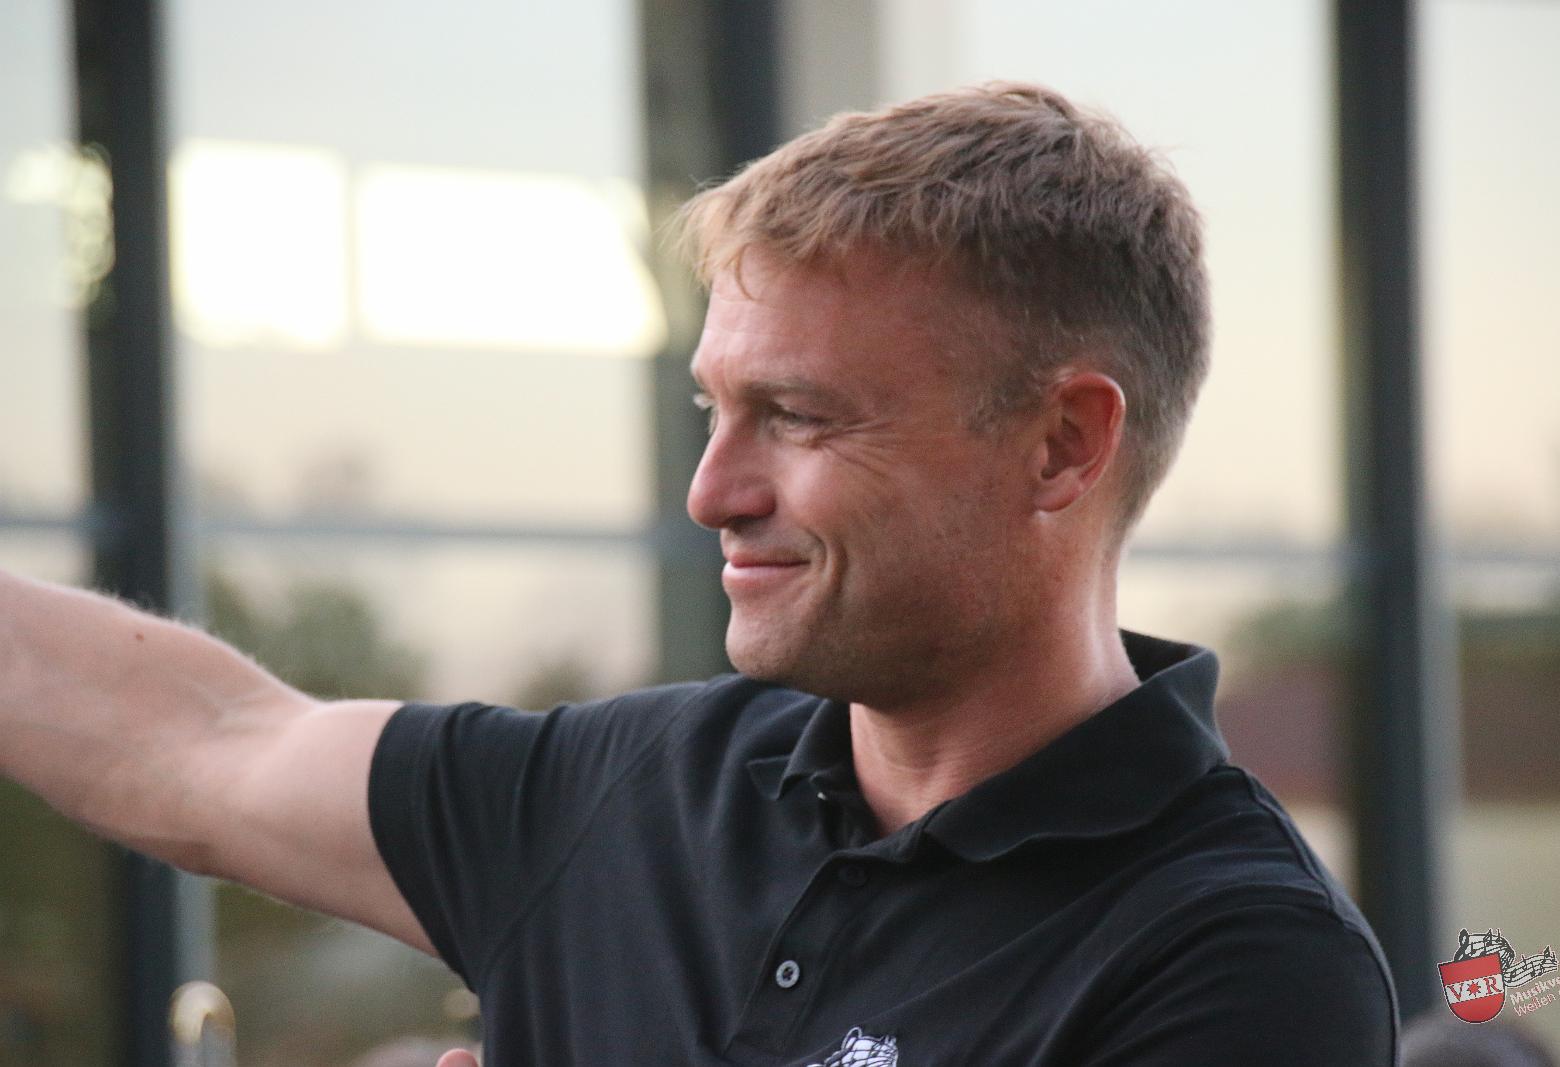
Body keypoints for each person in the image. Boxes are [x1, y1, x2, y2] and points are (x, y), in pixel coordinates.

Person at [0, 82, 1399, 1064]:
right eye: (712, 410)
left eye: (798, 417)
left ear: (1062, 444)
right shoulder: (625, 793)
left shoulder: (1235, 958)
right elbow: (210, 745)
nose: (713, 492)